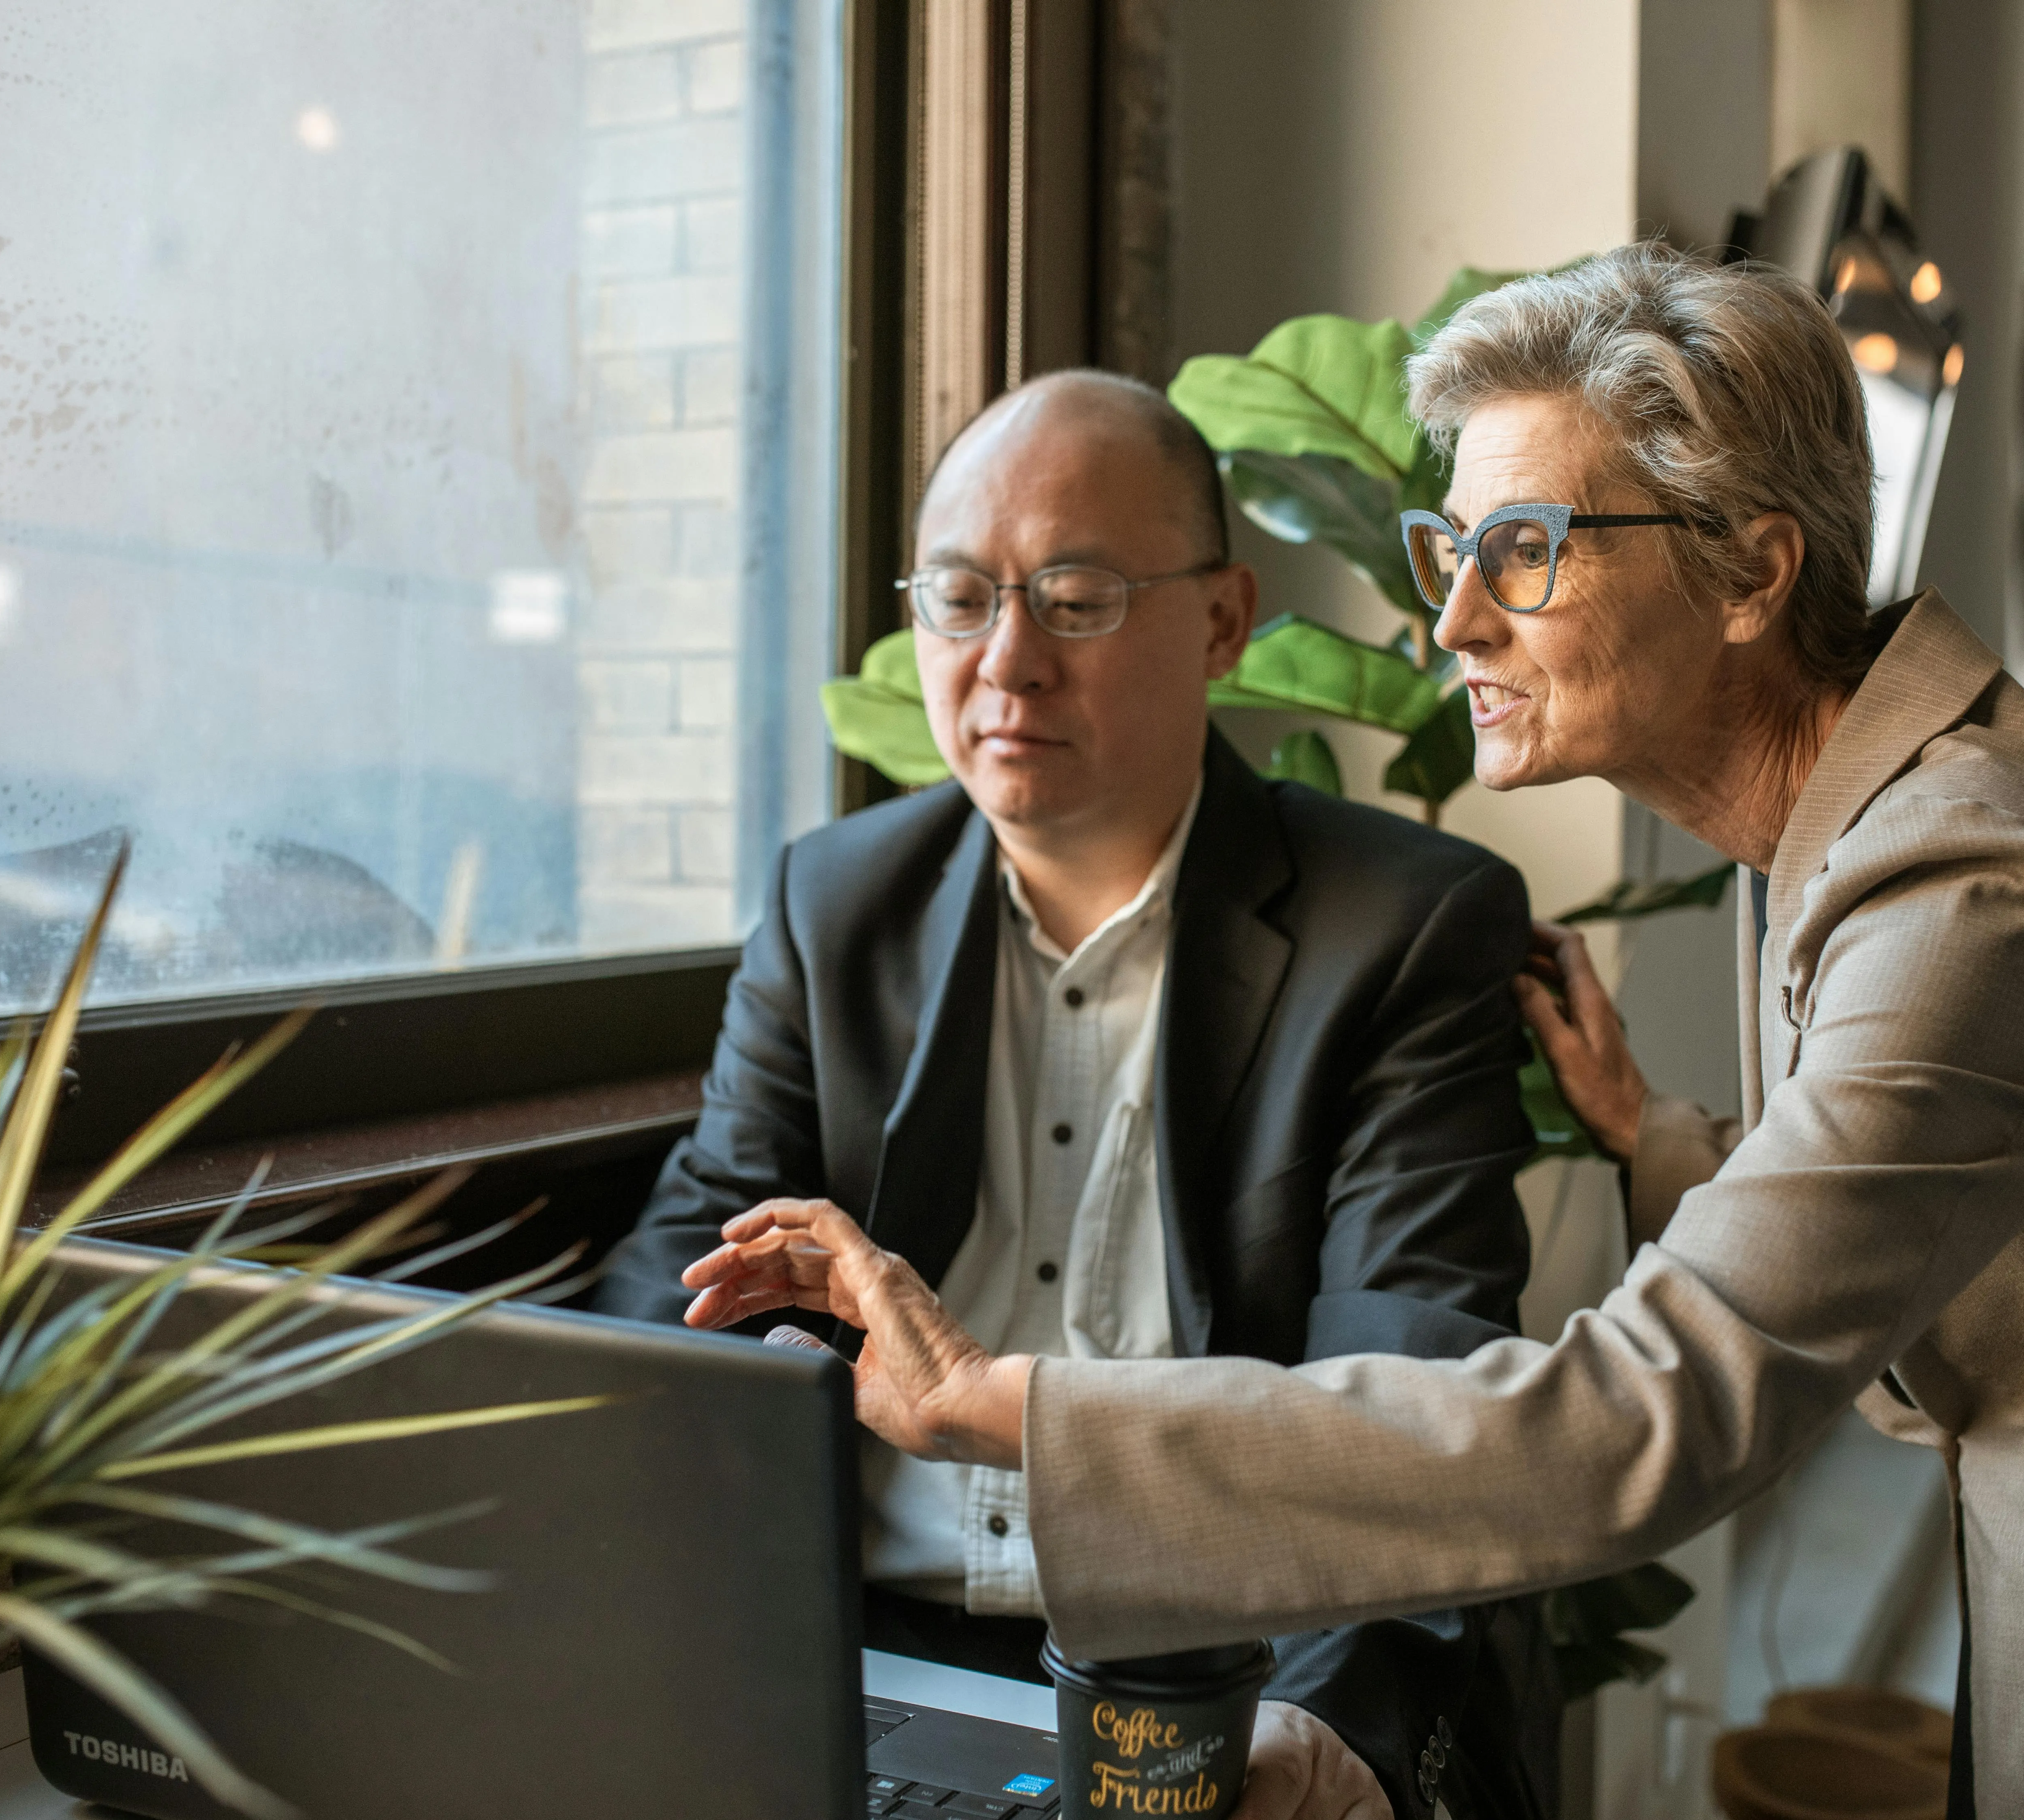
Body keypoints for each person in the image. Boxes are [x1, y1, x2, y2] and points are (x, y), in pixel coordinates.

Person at [679, 247, 2024, 1817]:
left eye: (1524, 549)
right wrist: (1670, 1148)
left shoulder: (1964, 877)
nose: (1453, 615)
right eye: (1448, 548)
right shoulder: (1860, 811)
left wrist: (1002, 1403)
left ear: (1745, 567)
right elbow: (1943, 1203)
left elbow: (1639, 1419)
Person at [596, 370, 1560, 1820]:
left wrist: (1302, 1742)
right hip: (862, 1664)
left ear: (1224, 620)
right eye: (962, 598)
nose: (1007, 663)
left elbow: (1412, 1394)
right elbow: (681, 1302)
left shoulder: (1403, 928)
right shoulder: (831, 907)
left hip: (1212, 1675)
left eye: (1077, 597)